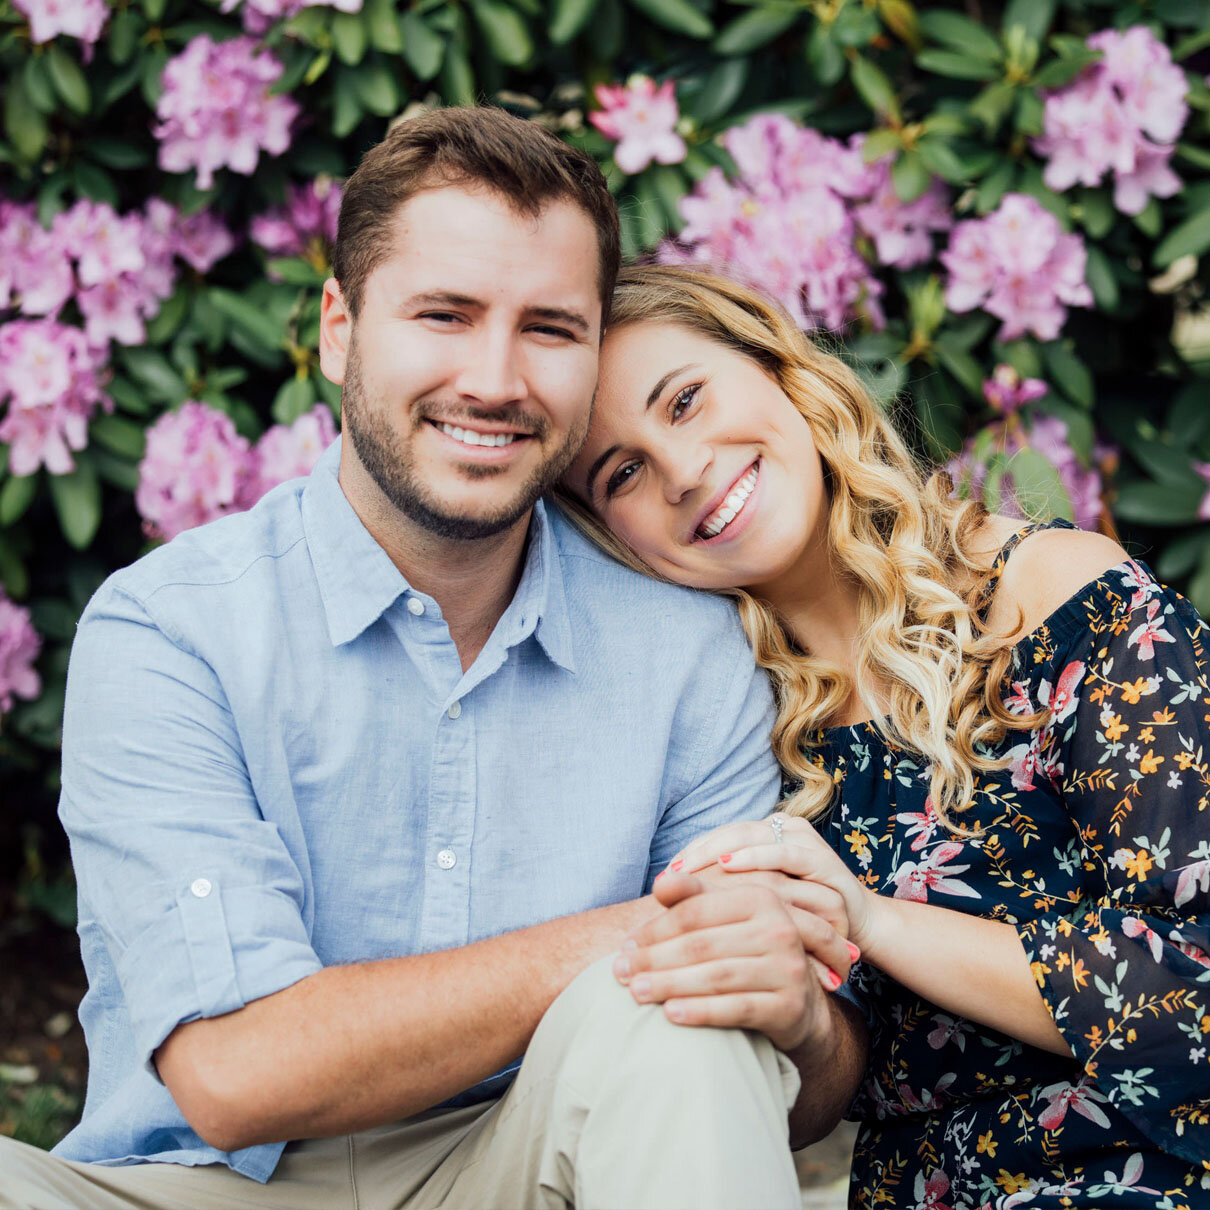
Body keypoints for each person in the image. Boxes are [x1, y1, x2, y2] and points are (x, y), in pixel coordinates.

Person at [0, 112, 870, 1210]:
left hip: (537, 1165)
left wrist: (793, 1011)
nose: (495, 378)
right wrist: (634, 933)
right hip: (202, 1187)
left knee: (680, 1021)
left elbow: (785, 1083)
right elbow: (232, 1072)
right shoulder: (172, 629)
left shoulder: (684, 649)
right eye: (444, 315)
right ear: (340, 326)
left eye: (549, 328)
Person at [560, 263, 1210, 1209]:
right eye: (620, 472)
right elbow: (776, 1092)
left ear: (779, 367)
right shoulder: (729, 754)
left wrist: (878, 922)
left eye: (688, 400)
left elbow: (1191, 987)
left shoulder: (1060, 601)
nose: (685, 468)